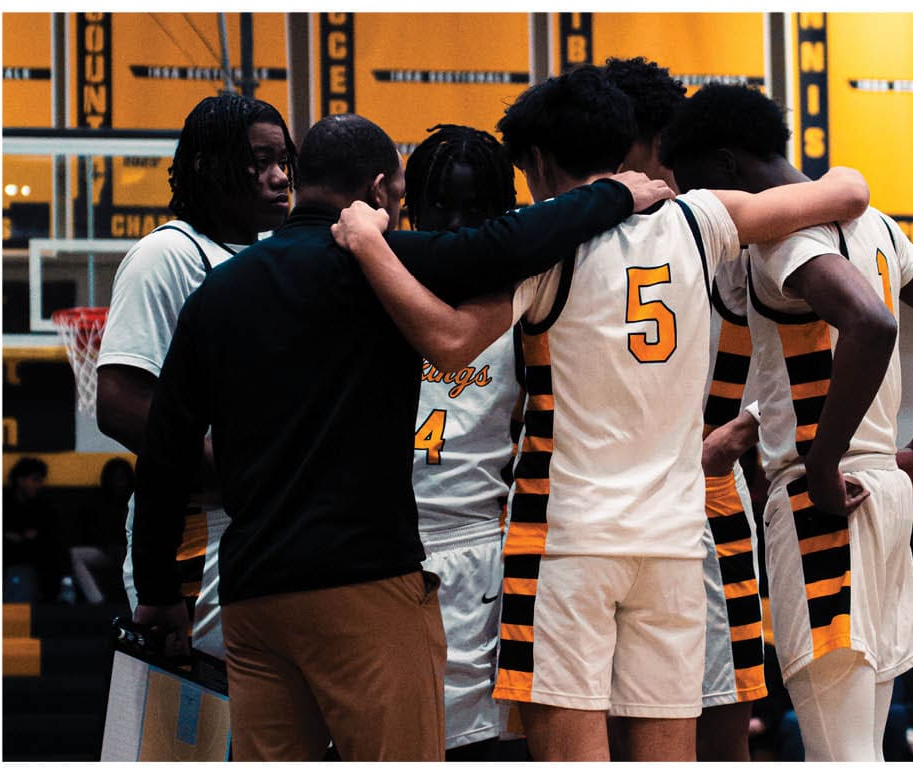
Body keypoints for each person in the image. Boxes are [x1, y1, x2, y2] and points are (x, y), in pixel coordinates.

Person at [332, 65, 870, 761]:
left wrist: (370, 246)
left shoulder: (540, 243)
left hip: (569, 541)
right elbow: (849, 191)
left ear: (537, 161)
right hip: (674, 540)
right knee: (668, 753)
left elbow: (446, 338)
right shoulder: (703, 218)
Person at [129, 111, 678, 761]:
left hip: (252, 591)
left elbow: (164, 456)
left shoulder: (215, 295)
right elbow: (507, 244)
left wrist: (159, 592)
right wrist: (617, 192)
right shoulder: (379, 266)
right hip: (363, 579)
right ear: (384, 191)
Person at [660, 82, 913, 761]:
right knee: (864, 750)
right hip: (883, 490)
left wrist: (822, 462)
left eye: (701, 189)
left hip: (825, 503)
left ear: (728, 166)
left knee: (837, 755)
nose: (708, 213)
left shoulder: (782, 235)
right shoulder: (877, 225)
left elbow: (871, 323)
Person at [604, 55, 766, 763]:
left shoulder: (717, 225)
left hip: (698, 495)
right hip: (622, 495)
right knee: (618, 709)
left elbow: (799, 332)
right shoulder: (592, 225)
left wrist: (751, 422)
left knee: (717, 705)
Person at [96, 93, 296, 657]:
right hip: (193, 537)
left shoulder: (273, 254)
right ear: (209, 167)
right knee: (208, 730)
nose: (280, 176)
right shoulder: (167, 255)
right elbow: (119, 403)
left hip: (262, 525)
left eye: (285, 160)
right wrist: (244, 475)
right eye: (261, 161)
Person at [403, 123, 523, 759]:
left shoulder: (523, 303)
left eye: (473, 210)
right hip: (386, 556)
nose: (453, 226)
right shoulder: (379, 291)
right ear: (410, 211)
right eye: (439, 208)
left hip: (480, 548)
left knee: (478, 749)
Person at [69, 457, 134, 605]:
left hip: (133, 552)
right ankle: (97, 602)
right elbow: (89, 531)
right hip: (105, 551)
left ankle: (143, 604)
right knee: (74, 554)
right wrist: (107, 546)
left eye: (123, 478)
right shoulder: (97, 502)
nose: (120, 483)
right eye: (116, 478)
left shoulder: (136, 500)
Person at [3, 456, 66, 602]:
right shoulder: (4, 503)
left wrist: (35, 535)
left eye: (40, 481)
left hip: (33, 554)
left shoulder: (43, 506)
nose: (38, 485)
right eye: (34, 480)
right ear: (20, 480)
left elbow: (51, 531)